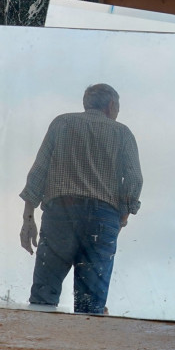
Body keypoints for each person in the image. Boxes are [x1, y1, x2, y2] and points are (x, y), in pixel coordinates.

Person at [19, 83, 143, 315]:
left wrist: (28, 219)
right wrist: (121, 218)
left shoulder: (62, 123)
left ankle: (35, 348)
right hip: (102, 219)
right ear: (111, 105)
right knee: (90, 306)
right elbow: (134, 181)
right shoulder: (122, 133)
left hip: (59, 215)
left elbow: (38, 172)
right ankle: (84, 349)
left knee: (42, 299)